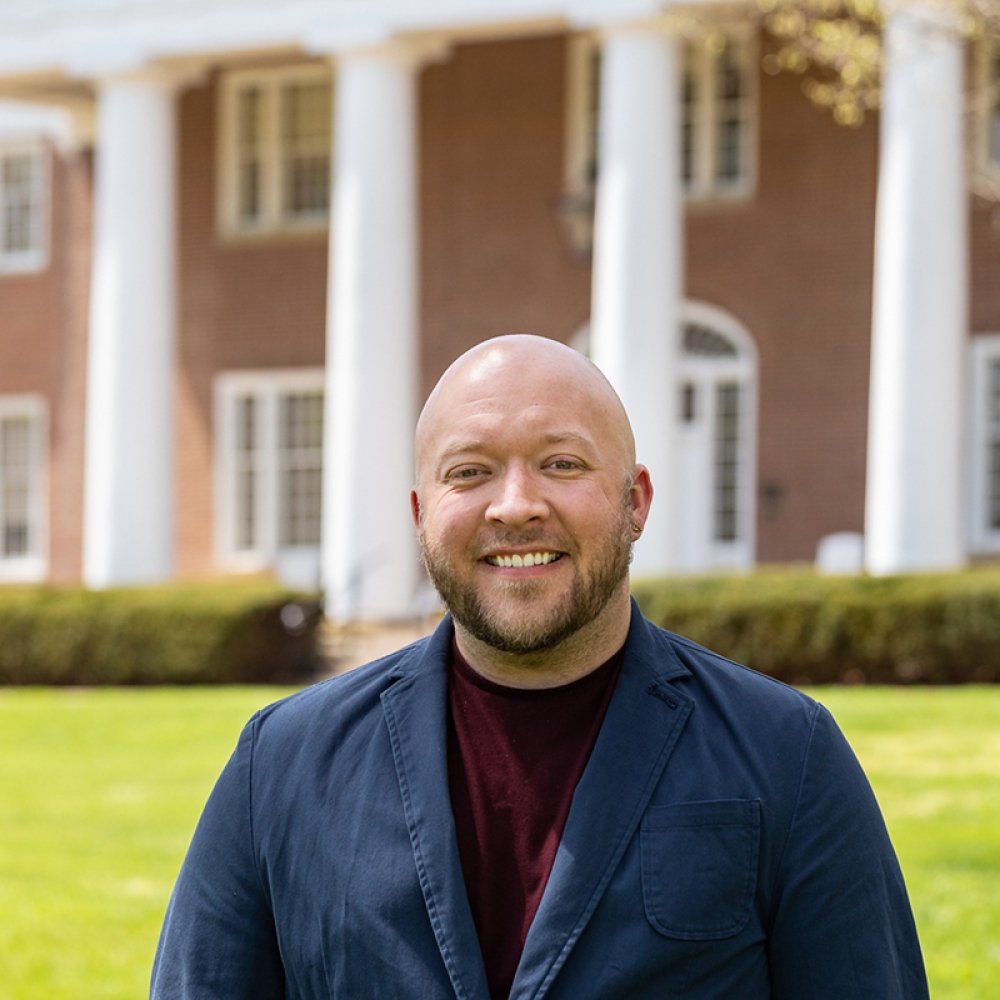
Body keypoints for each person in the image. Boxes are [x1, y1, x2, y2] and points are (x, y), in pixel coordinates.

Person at [151, 334, 928, 999]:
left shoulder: (788, 755)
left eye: (561, 464)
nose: (514, 505)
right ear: (422, 516)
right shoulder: (282, 767)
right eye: (469, 472)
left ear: (636, 502)